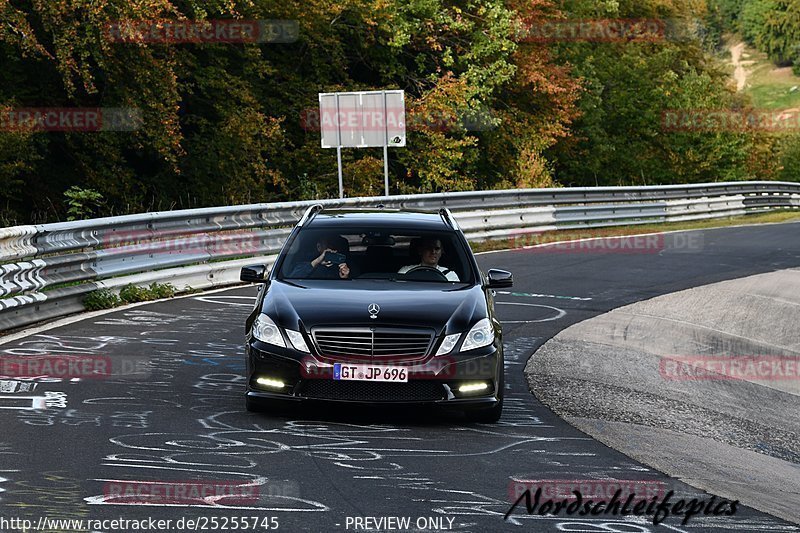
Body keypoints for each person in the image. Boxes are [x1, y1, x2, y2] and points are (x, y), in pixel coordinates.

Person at [290, 235, 354, 279]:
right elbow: (293, 278)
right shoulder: (306, 263)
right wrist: (318, 261)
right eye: (328, 245)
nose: (332, 249)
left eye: (334, 245)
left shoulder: (346, 267)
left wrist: (345, 277)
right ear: (318, 247)